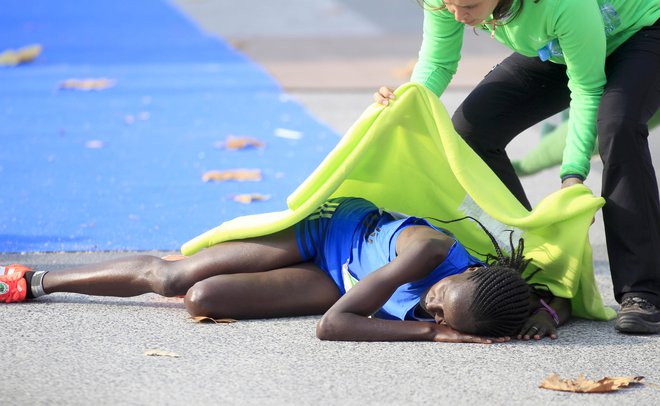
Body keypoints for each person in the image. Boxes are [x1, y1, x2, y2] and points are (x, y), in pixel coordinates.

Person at [374, 0, 660, 334]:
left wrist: (573, 175)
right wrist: (407, 104)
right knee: (473, 128)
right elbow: (437, 62)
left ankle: (643, 291)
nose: (458, 16)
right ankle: (534, 267)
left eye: (468, 5)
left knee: (617, 123)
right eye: (448, 5)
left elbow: (586, 88)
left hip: (640, 33)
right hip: (562, 45)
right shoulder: (447, 1)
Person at [0, 197, 568, 342]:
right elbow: (335, 325)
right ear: (464, 271)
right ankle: (37, 280)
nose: (431, 303)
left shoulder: (493, 305)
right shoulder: (427, 252)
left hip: (338, 282)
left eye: (439, 313)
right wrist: (434, 331)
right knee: (173, 278)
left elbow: (547, 309)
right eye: (443, 295)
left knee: (200, 299)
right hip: (326, 235)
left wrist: (544, 317)